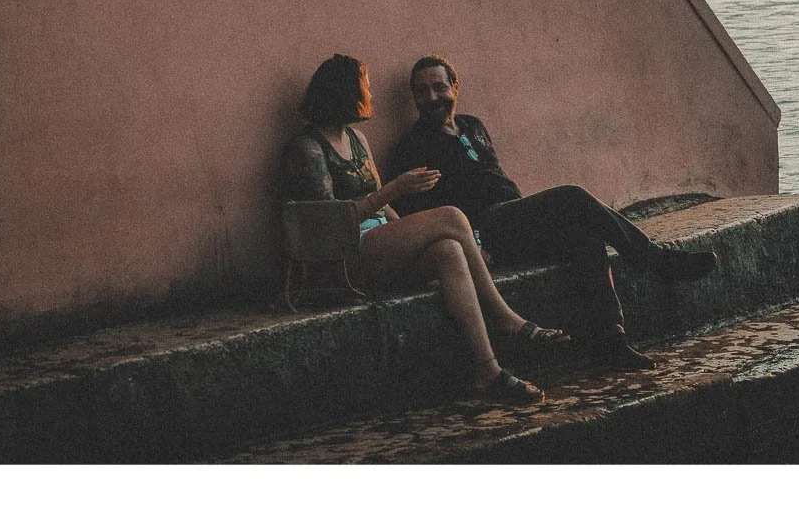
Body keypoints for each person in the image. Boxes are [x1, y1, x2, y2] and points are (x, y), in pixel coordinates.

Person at [382, 54, 717, 370]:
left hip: (515, 220)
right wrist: (476, 245)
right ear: (414, 99)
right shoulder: (413, 148)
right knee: (571, 196)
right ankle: (655, 260)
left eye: (439, 87)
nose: (432, 96)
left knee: (582, 235)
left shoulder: (472, 126)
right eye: (422, 91)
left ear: (455, 86)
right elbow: (423, 215)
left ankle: (611, 339)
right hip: (485, 232)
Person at [283, 53, 568, 403]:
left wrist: (409, 231)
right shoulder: (308, 148)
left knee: (447, 249)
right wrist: (394, 190)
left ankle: (487, 371)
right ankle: (506, 318)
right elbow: (328, 228)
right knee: (450, 216)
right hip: (342, 262)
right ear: (343, 92)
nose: (368, 95)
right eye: (364, 87)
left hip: (377, 247)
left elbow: (380, 203)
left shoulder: (356, 139)